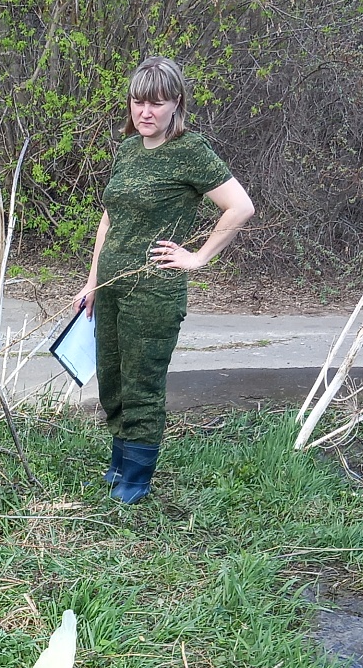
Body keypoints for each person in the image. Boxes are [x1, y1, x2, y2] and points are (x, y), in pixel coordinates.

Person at [75, 57, 255, 505]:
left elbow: (240, 207)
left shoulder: (190, 150)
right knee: (111, 379)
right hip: (112, 286)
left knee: (142, 383)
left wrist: (197, 258)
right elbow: (109, 219)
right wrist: (93, 281)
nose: (145, 112)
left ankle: (136, 479)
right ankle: (120, 462)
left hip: (153, 292)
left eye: (156, 103)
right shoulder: (128, 149)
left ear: (176, 102)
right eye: (138, 102)